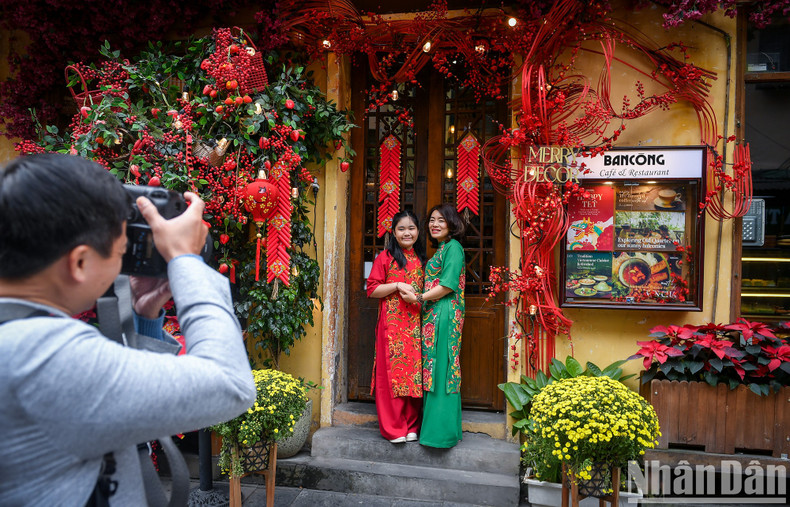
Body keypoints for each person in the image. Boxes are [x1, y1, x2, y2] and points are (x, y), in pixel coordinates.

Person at [0, 153, 256, 505]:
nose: (122, 263)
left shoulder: (18, 337)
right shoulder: (41, 355)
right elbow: (230, 384)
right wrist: (186, 261)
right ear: (79, 262)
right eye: (121, 252)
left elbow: (114, 403)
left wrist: (145, 316)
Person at [400, 203, 465, 448]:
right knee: (433, 371)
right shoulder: (442, 249)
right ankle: (435, 430)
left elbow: (447, 286)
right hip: (434, 316)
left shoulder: (454, 248)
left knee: (442, 370)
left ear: (452, 224)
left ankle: (440, 435)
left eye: (441, 220)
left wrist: (418, 298)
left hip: (445, 315)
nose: (435, 224)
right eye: (432, 220)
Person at [366, 210, 426, 443]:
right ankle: (393, 427)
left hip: (415, 324)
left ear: (418, 232)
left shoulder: (422, 260)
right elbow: (372, 290)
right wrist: (398, 284)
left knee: (413, 375)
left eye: (411, 228)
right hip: (391, 326)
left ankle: (411, 425)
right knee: (390, 376)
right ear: (394, 232)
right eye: (401, 228)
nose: (407, 233)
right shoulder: (385, 257)